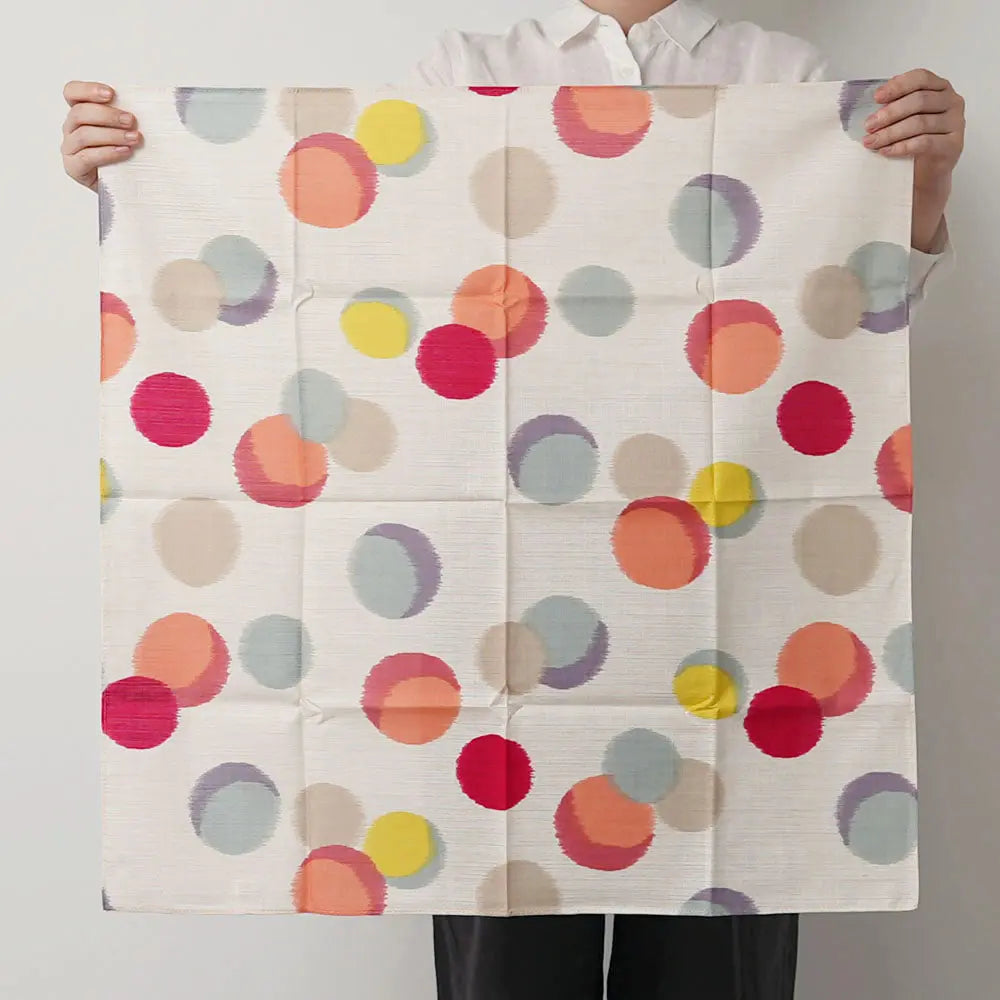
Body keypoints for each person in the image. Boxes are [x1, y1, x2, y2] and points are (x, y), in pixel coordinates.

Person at [60, 2, 965, 997]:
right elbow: (355, 277)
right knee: (507, 952)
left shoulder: (784, 76)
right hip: (496, 622)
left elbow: (849, 311)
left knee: (720, 945)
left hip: (731, 607)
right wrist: (148, 174)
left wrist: (918, 190)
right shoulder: (467, 70)